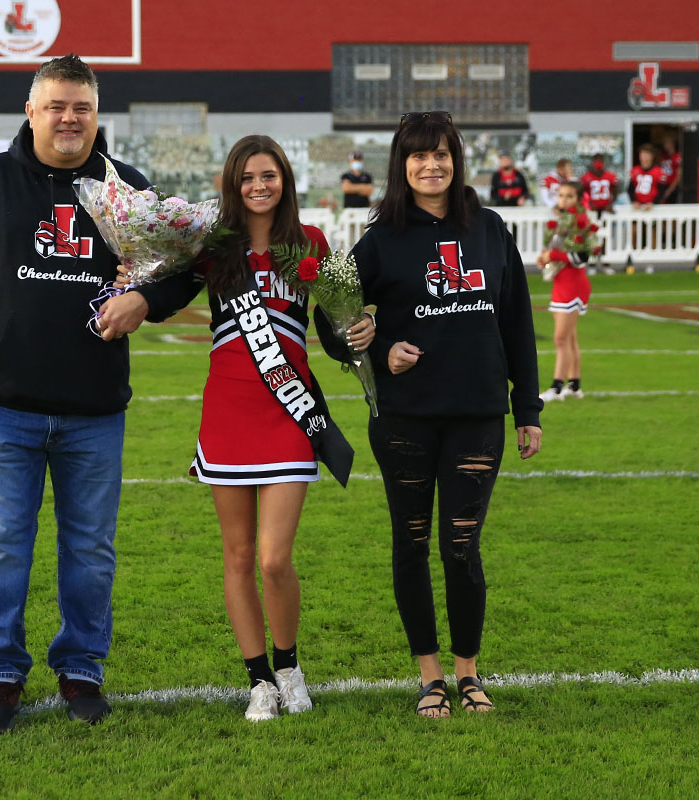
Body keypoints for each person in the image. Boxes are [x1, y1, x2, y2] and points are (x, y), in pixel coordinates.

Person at [0, 53, 186, 733]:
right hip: (2, 407)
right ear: (31, 111)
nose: (70, 119)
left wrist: (147, 302)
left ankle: (82, 667)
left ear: (98, 116)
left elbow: (185, 266)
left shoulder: (125, 187)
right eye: (57, 106)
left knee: (91, 547)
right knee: (3, 543)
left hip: (94, 409)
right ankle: (1, 671)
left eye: (83, 108)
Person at [114, 135, 367, 722]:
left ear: (285, 181)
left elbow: (331, 329)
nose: (259, 185)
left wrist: (357, 335)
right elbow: (174, 289)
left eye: (269, 175)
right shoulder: (214, 245)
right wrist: (139, 298)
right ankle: (259, 682)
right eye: (248, 176)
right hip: (228, 410)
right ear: (233, 183)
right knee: (237, 553)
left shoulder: (312, 244)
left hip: (288, 410)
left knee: (275, 558)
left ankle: (289, 667)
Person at [321, 110, 541, 718]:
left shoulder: (491, 230)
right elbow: (331, 312)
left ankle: (470, 672)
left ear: (456, 159)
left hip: (477, 415)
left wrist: (528, 407)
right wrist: (372, 345)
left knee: (462, 548)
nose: (431, 165)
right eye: (418, 156)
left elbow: (518, 323)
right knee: (411, 544)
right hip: (404, 420)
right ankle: (430, 676)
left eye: (441, 153)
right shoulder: (383, 237)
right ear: (402, 165)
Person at [536, 182, 592, 403]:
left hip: (573, 285)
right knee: (569, 338)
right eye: (561, 195)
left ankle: (556, 388)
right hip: (561, 283)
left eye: (570, 196)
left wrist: (554, 256)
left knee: (560, 339)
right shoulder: (562, 222)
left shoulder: (582, 223)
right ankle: (574, 386)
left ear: (578, 199)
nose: (564, 200)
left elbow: (582, 258)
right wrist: (544, 257)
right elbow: (554, 251)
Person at [628, 145, 663, 210]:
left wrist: (653, 203)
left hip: (653, 208)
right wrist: (634, 201)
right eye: (642, 154)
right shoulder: (634, 170)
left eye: (647, 154)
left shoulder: (658, 172)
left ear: (652, 156)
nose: (644, 156)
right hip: (638, 208)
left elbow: (661, 191)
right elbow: (630, 189)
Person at [657, 136, 682, 204]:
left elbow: (678, 176)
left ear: (672, 144)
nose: (666, 146)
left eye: (668, 143)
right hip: (662, 186)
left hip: (672, 187)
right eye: (664, 144)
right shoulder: (663, 157)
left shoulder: (677, 157)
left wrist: (669, 190)